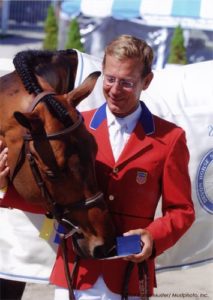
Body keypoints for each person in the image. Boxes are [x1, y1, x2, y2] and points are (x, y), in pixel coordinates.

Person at [0, 35, 195, 299]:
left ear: (146, 82)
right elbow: (55, 195)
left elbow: (181, 210)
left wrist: (153, 237)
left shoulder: (170, 138)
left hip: (129, 277)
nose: (115, 90)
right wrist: (4, 188)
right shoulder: (71, 128)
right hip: (75, 274)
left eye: (127, 82)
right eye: (110, 79)